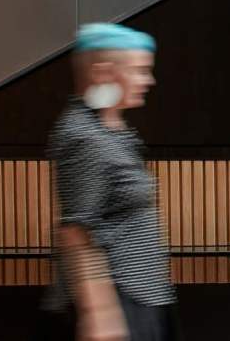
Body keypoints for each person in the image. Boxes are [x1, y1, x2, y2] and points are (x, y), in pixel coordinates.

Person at [38, 23, 180, 341]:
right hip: (117, 302)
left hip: (141, 295)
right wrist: (99, 313)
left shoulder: (110, 130)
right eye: (140, 71)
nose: (149, 81)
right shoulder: (84, 137)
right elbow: (76, 231)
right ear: (102, 72)